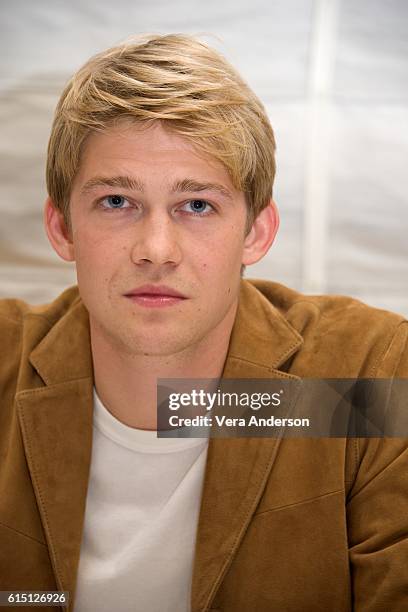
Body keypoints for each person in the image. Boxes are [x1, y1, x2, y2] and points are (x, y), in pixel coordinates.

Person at [0, 34, 406, 612]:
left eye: (197, 206)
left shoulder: (370, 374)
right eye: (117, 201)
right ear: (62, 227)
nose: (156, 250)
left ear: (257, 233)